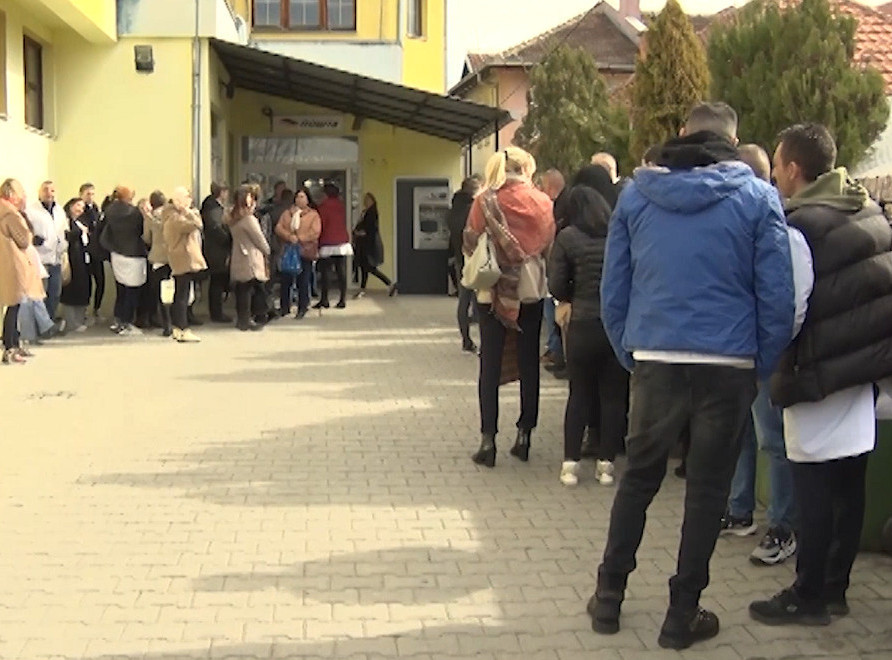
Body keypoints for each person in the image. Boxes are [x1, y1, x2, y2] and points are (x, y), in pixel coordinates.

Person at [590, 102, 794, 649]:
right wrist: (759, 364)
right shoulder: (758, 198)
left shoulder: (637, 195)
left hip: (656, 356)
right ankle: (682, 615)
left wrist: (632, 353)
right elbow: (777, 296)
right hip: (728, 363)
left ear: (682, 133)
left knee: (638, 479)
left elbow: (614, 289)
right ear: (734, 139)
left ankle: (609, 596)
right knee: (707, 491)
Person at [749, 124, 892, 626]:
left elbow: (790, 307)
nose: (774, 174)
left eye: (776, 163)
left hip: (816, 372)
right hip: (862, 371)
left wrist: (771, 357)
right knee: (849, 485)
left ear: (793, 169)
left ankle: (807, 594)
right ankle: (835, 589)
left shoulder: (800, 228)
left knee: (812, 485)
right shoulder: (867, 211)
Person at [719, 144, 800, 568]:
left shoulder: (775, 219)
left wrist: (769, 350)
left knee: (772, 439)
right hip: (742, 345)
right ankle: (740, 510)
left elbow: (778, 293)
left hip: (764, 347)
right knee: (743, 433)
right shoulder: (745, 217)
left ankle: (783, 526)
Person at [464, 146, 555, 468]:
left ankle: (488, 441)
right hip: (530, 287)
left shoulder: (484, 200)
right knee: (529, 363)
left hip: (493, 290)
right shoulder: (543, 201)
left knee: (489, 364)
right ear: (526, 168)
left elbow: (470, 240)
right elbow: (549, 244)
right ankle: (525, 435)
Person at [549, 183, 628, 488]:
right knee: (613, 397)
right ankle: (606, 465)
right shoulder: (617, 235)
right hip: (614, 326)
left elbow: (556, 285)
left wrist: (569, 295)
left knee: (579, 394)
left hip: (581, 324)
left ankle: (570, 464)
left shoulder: (568, 238)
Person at [0, 179, 43, 364]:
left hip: (4, 263)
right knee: (14, 305)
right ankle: (10, 347)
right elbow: (24, 240)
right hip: (13, 263)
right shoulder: (11, 214)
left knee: (12, 305)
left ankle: (13, 344)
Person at [100, 185, 148, 336]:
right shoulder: (134, 213)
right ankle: (126, 323)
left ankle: (118, 320)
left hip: (116, 254)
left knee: (121, 289)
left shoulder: (109, 210)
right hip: (133, 254)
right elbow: (142, 231)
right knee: (132, 290)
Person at [162, 187, 206, 343]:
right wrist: (189, 211)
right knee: (183, 296)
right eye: (187, 197)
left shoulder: (170, 216)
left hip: (179, 257)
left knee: (180, 294)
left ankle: (177, 328)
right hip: (183, 257)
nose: (190, 200)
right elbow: (197, 224)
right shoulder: (176, 219)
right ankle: (182, 328)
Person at [228, 185, 270, 331]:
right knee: (248, 289)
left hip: (238, 253)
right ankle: (247, 320)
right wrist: (267, 250)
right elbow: (259, 239)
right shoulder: (248, 219)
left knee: (241, 289)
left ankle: (242, 319)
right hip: (250, 256)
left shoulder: (233, 217)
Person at [275, 187, 321, 320]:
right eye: (297, 197)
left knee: (303, 281)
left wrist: (300, 238)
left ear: (307, 199)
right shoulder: (287, 213)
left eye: (302, 197)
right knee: (286, 280)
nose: (299, 199)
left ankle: (302, 307)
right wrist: (289, 237)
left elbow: (315, 232)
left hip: (305, 251)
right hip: (289, 250)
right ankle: (284, 307)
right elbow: (279, 227)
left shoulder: (313, 215)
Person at [447, 177, 481, 353]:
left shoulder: (453, 210)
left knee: (464, 300)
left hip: (461, 260)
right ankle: (485, 342)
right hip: (476, 259)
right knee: (481, 301)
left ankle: (466, 340)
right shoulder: (473, 208)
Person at [538, 168, 567, 374]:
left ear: (549, 187)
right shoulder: (567, 204)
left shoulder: (554, 208)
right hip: (556, 269)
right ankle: (555, 349)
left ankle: (556, 350)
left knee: (552, 313)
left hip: (555, 270)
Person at [27, 180, 68, 321]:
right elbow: (26, 231)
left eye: (52, 190)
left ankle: (49, 323)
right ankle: (39, 327)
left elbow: (63, 230)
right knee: (40, 296)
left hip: (56, 259)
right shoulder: (31, 211)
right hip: (40, 260)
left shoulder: (59, 210)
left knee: (55, 294)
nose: (49, 193)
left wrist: (65, 242)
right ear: (39, 192)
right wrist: (33, 239)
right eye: (45, 190)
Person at [315, 182, 353, 309]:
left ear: (325, 194)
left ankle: (324, 299)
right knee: (341, 270)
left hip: (327, 241)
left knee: (325, 272)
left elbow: (322, 224)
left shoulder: (323, 207)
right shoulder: (340, 205)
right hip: (341, 240)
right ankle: (342, 299)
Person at [353, 193, 397, 298]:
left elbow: (371, 229)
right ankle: (362, 289)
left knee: (369, 268)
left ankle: (389, 283)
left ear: (372, 201)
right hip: (363, 244)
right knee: (364, 268)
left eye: (368, 200)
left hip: (368, 245)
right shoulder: (365, 212)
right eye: (365, 199)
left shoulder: (372, 213)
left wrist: (361, 233)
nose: (365, 201)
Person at [200, 182, 232, 323]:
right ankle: (217, 313)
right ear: (222, 192)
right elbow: (215, 227)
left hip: (215, 248)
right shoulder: (213, 207)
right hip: (216, 249)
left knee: (217, 281)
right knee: (217, 281)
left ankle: (217, 312)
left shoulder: (211, 205)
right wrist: (227, 238)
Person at [59, 197, 92, 332]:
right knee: (71, 291)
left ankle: (78, 320)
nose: (80, 209)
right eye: (78, 205)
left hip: (81, 260)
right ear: (71, 206)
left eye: (82, 207)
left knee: (81, 290)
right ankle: (71, 322)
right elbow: (66, 237)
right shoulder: (65, 221)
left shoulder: (79, 222)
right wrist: (80, 231)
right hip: (72, 260)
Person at [143, 190, 172, 337]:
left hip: (158, 258)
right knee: (175, 291)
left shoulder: (151, 218)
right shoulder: (171, 214)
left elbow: (147, 238)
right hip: (173, 257)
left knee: (162, 293)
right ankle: (179, 322)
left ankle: (166, 325)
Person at [78, 182, 107, 321]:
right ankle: (84, 311)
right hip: (84, 252)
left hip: (97, 251)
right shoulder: (79, 209)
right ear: (81, 195)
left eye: (92, 194)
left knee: (101, 281)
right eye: (87, 194)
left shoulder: (96, 208)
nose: (90, 196)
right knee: (86, 283)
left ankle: (97, 308)